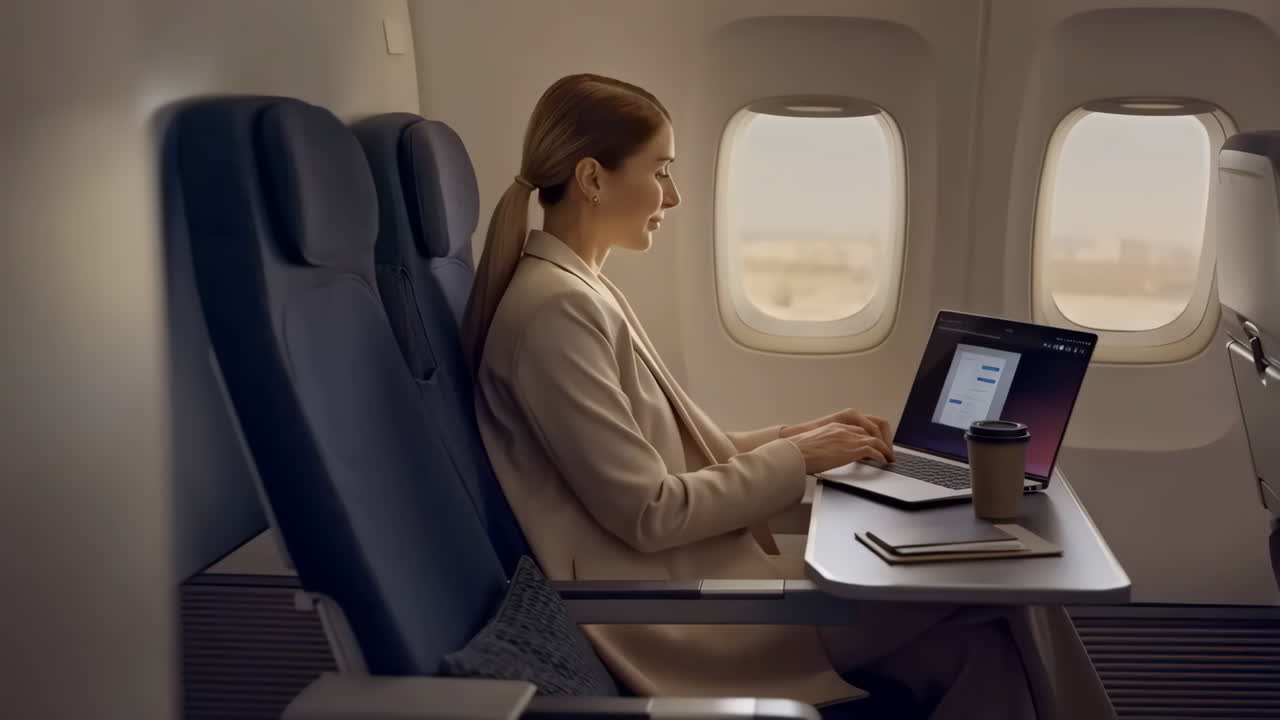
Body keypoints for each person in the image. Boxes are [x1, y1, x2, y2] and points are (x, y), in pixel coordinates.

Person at [464, 73, 1115, 720]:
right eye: (660, 170)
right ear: (593, 178)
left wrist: (803, 436)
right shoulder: (555, 313)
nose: (676, 194)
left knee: (980, 652)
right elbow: (651, 510)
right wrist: (800, 459)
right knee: (1013, 593)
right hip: (677, 623)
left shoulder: (583, 291)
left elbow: (678, 459)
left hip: (700, 588)